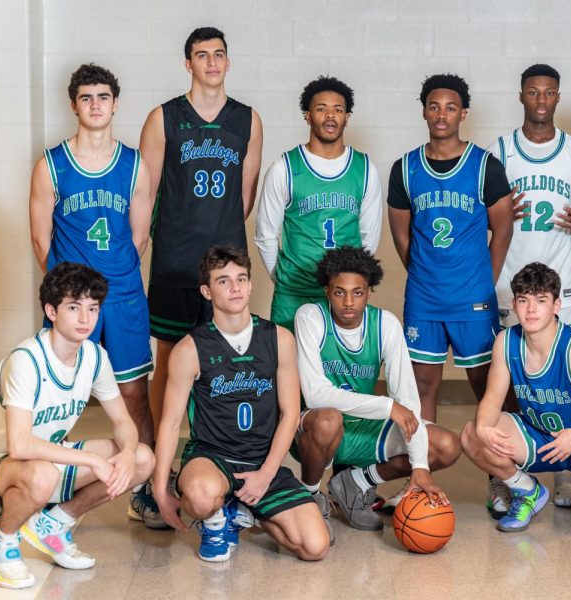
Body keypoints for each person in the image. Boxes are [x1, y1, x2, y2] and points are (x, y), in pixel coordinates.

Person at [0, 263, 155, 589]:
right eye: (74, 307)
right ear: (51, 311)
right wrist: (93, 460)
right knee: (43, 475)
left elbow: (123, 420)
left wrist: (124, 453)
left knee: (141, 458)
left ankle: (54, 523)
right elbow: (20, 445)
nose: (86, 319)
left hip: (49, 458)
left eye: (93, 308)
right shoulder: (27, 360)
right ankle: (3, 538)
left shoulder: (94, 357)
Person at [28, 63, 161, 528]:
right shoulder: (51, 165)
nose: (96, 105)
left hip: (123, 299)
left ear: (115, 103)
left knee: (133, 397)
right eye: (86, 98)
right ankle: (39, 483)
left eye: (103, 97)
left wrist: (113, 280)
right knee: (51, 396)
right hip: (71, 301)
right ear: (74, 105)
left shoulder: (133, 165)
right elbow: (41, 241)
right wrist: (70, 292)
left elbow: (139, 237)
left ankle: (141, 490)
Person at [152, 246, 328, 563]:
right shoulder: (189, 349)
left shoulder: (279, 339)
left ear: (249, 284)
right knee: (201, 497)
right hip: (212, 457)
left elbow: (290, 415)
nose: (235, 287)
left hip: (262, 460)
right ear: (206, 291)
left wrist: (266, 474)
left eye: (241, 279)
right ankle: (216, 519)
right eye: (223, 281)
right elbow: (169, 423)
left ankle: (244, 510)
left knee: (314, 547)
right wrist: (159, 487)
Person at [139, 26, 263, 448]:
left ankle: (214, 455)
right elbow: (145, 194)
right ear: (187, 64)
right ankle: (159, 458)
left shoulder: (247, 119)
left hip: (226, 265)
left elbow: (245, 199)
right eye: (202, 55)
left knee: (224, 364)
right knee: (171, 361)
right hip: (175, 262)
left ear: (228, 61)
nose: (211, 62)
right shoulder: (163, 117)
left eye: (218, 54)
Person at [294, 247, 461, 537]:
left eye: (357, 293)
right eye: (339, 292)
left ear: (369, 291)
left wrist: (419, 466)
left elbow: (408, 402)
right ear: (326, 291)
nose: (348, 302)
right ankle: (310, 496)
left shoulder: (385, 324)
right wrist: (387, 407)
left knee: (447, 446)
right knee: (326, 420)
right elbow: (315, 395)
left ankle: (355, 483)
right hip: (315, 432)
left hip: (365, 431)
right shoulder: (311, 317)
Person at [488, 63, 571, 513]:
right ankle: (508, 473)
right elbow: (485, 213)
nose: (541, 101)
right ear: (521, 97)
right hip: (511, 281)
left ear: (557, 97)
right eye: (533, 93)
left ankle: (568, 470)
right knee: (509, 380)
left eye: (549, 93)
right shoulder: (499, 150)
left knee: (567, 380)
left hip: (563, 283)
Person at [460, 263, 571, 542]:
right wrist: (485, 428)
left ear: (557, 305)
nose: (531, 309)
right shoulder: (506, 341)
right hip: (534, 435)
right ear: (514, 304)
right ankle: (527, 491)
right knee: (471, 434)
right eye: (524, 300)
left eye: (541, 300)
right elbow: (492, 398)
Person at [386, 73, 513, 425]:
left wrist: (487, 278)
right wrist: (424, 273)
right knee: (422, 388)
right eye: (434, 107)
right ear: (424, 112)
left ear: (463, 113)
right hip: (425, 298)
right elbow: (401, 235)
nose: (442, 114)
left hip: (472, 296)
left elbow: (503, 228)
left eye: (451, 107)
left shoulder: (484, 165)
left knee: (488, 387)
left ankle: (500, 476)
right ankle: (420, 473)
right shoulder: (405, 168)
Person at [255, 76, 382, 331]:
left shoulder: (364, 168)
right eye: (321, 109)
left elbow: (369, 237)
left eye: (338, 109)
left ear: (347, 117)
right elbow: (265, 234)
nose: (330, 116)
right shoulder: (285, 168)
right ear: (308, 115)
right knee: (287, 367)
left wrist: (353, 280)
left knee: (338, 369)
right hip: (294, 293)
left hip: (341, 295)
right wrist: (284, 278)